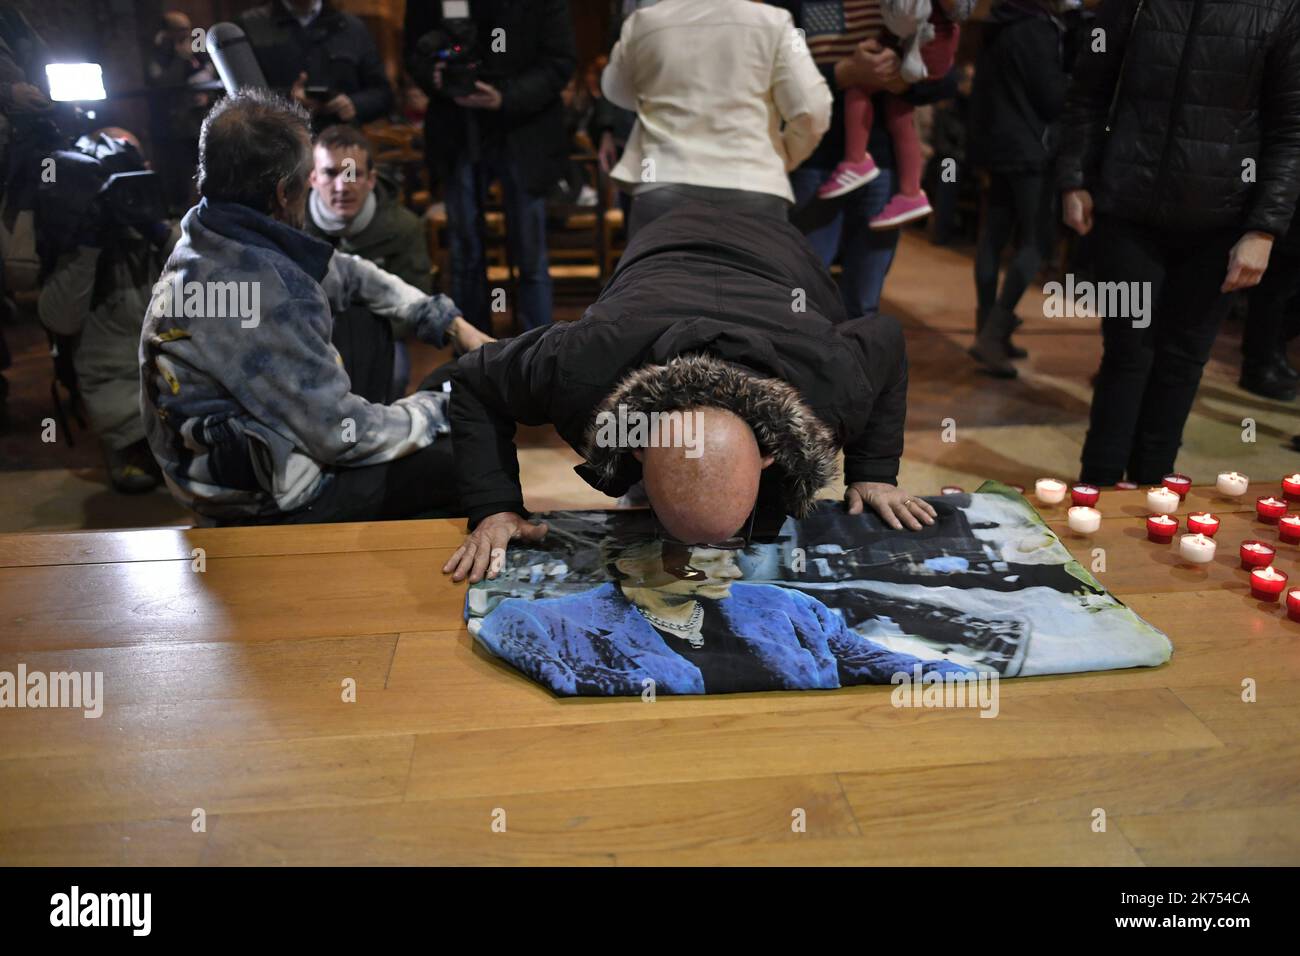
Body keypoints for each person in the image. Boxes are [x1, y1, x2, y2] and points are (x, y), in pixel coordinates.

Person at [442, 201, 937, 584]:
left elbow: (886, 339)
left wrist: (874, 474)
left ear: (771, 455)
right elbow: (472, 378)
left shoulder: (830, 381)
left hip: (782, 254)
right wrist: (494, 507)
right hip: (664, 242)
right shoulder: (580, 366)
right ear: (634, 444)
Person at [140, 90, 486, 525]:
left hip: (234, 460)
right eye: (309, 181)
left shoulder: (209, 235)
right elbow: (342, 434)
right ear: (284, 193)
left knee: (419, 358)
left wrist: (449, 323)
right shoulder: (261, 292)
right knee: (462, 459)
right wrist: (442, 411)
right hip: (260, 499)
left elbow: (349, 273)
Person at [1057, 0, 1300, 486]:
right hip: (1127, 212)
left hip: (1222, 223)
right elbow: (1087, 93)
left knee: (1183, 361)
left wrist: (1264, 229)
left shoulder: (1280, 9)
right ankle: (1098, 490)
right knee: (1127, 353)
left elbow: (1290, 130)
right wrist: (1075, 178)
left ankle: (1152, 490)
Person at [476, 537, 973, 695]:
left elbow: (867, 659)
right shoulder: (544, 621)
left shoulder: (785, 606)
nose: (731, 570)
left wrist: (964, 683)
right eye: (706, 560)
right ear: (631, 563)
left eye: (730, 555)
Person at [772, 0, 959, 317]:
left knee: (864, 301)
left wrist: (905, 81)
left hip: (883, 164)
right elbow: (776, 75)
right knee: (801, 296)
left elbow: (945, 77)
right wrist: (844, 73)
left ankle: (854, 366)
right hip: (813, 162)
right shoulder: (792, 6)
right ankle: (801, 365)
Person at [404, 0, 576, 332]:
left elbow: (559, 61)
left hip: (524, 132)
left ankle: (536, 354)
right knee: (464, 253)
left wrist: (505, 97)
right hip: (457, 131)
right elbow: (415, 52)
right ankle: (472, 354)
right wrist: (435, 77)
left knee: (530, 257)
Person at [600, 0, 832, 237]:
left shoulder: (643, 22)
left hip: (661, 180)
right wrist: (784, 157)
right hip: (755, 184)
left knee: (659, 276)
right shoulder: (774, 21)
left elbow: (615, 90)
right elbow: (813, 109)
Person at [37, 129, 175, 493]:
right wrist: (86, 244)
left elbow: (215, 287)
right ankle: (132, 443)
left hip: (175, 383)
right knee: (143, 478)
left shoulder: (166, 230)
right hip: (116, 390)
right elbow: (61, 321)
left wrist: (157, 230)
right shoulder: (70, 239)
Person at [304, 124, 448, 402]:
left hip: (378, 337)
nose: (342, 186)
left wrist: (357, 336)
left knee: (393, 375)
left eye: (353, 174)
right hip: (307, 337)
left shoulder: (404, 228)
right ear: (312, 178)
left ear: (371, 179)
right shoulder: (291, 228)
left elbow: (416, 299)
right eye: (330, 173)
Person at [967, 0, 1067, 377]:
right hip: (1030, 149)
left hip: (996, 145)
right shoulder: (1038, 29)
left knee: (993, 238)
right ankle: (992, 337)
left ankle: (987, 332)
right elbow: (1052, 98)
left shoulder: (997, 25)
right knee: (1037, 242)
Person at [817, 0, 971, 234]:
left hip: (899, 161)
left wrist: (904, 86)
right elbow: (791, 64)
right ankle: (925, 208)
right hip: (817, 160)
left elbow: (945, 82)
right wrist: (844, 73)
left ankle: (936, 224)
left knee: (946, 175)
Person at [237, 0, 393, 129]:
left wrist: (354, 104)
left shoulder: (352, 28)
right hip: (277, 144)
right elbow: (233, 94)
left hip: (340, 145)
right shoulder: (248, 26)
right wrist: (287, 100)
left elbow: (383, 93)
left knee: (349, 167)